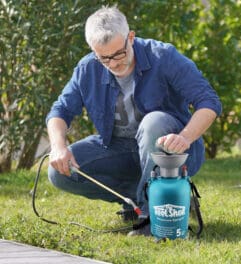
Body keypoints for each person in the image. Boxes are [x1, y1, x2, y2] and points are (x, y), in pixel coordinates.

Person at [46, 6, 221, 236]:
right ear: (93, 51)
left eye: (119, 54)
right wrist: (58, 147)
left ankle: (152, 218)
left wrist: (185, 137)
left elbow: (209, 102)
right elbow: (60, 111)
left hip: (171, 150)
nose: (114, 64)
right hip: (120, 149)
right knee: (59, 172)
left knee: (153, 122)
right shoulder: (87, 68)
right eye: (104, 58)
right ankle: (161, 196)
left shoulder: (164, 56)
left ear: (131, 37)